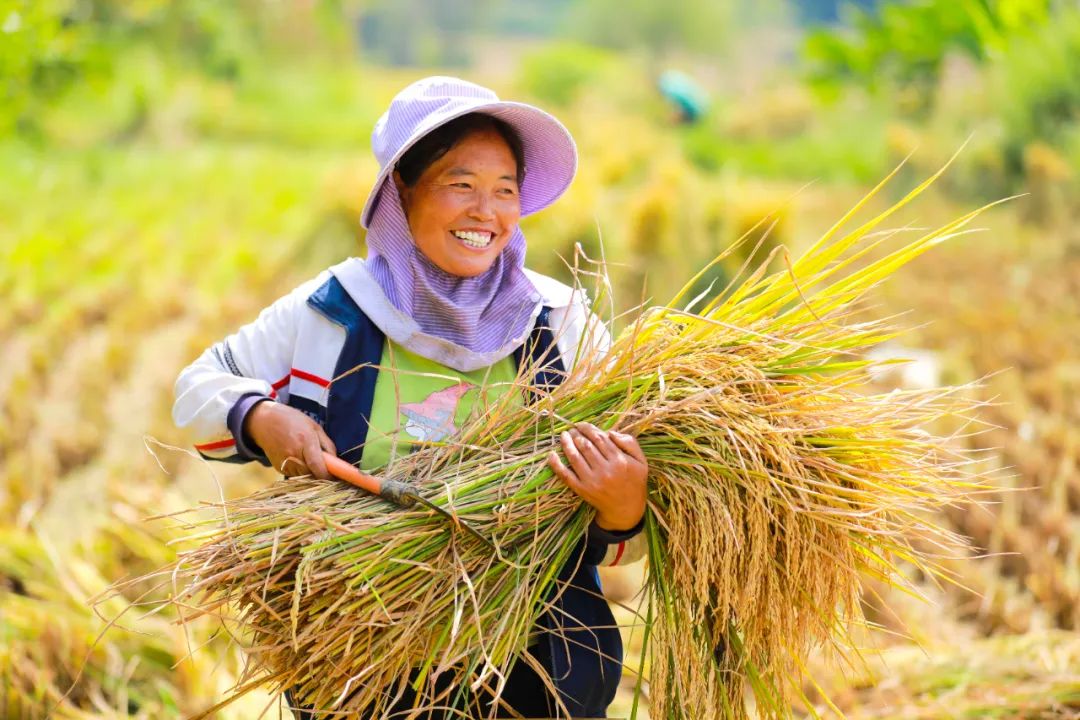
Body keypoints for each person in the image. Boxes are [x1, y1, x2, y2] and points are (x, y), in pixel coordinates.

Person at [172, 76, 649, 719]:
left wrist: (624, 507)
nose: (486, 212)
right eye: (461, 184)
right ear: (401, 190)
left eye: (505, 190)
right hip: (362, 661)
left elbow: (628, 535)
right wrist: (260, 418)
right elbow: (198, 389)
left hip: (537, 670)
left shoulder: (560, 325)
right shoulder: (334, 310)